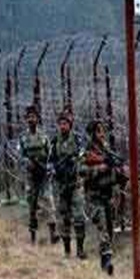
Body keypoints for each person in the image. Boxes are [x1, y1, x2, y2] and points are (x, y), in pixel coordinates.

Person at [80, 119, 128, 276]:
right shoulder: (86, 150)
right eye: (99, 131)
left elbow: (113, 172)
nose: (102, 134)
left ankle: (104, 259)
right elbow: (80, 170)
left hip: (107, 196)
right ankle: (107, 260)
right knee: (102, 228)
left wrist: (121, 175)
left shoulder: (107, 150)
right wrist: (100, 168)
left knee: (109, 228)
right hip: (93, 197)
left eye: (103, 131)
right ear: (93, 134)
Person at [17, 105, 58, 245]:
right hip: (31, 175)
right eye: (28, 117)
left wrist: (49, 167)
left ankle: (53, 234)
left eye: (33, 117)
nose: (31, 119)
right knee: (32, 204)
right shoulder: (23, 138)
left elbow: (51, 155)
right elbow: (20, 156)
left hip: (44, 174)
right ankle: (33, 236)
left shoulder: (44, 137)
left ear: (37, 118)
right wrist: (27, 162)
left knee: (49, 202)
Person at [49, 110, 86, 259]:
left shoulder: (77, 140)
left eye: (65, 124)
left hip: (75, 183)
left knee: (79, 216)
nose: (63, 126)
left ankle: (80, 250)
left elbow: (83, 156)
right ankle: (67, 250)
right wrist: (53, 169)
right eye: (61, 124)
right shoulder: (54, 141)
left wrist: (75, 163)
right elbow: (50, 161)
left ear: (70, 125)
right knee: (64, 217)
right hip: (61, 184)